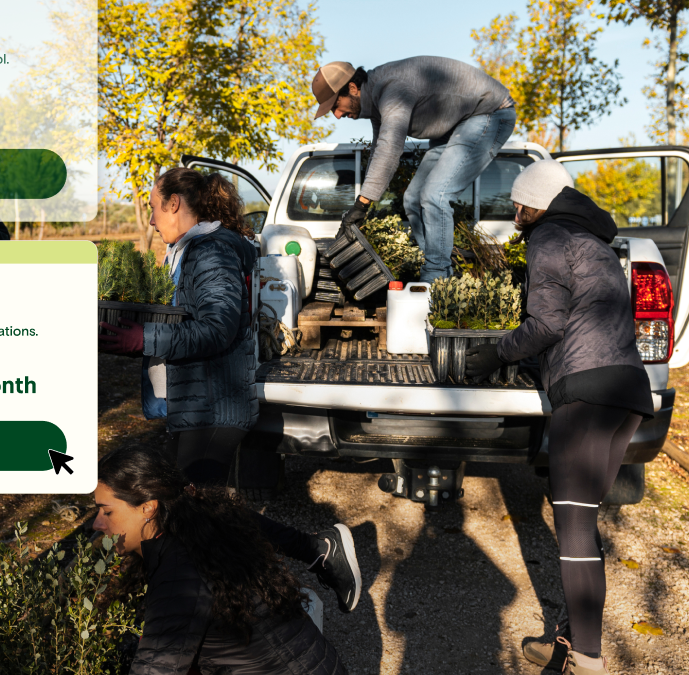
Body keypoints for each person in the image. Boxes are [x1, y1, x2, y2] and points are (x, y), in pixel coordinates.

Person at [99, 168, 363, 614]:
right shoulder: (193, 250)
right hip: (200, 400)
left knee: (192, 511)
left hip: (214, 403)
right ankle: (273, 586)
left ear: (176, 203)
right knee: (199, 514)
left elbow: (217, 328)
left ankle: (308, 562)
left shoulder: (211, 252)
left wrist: (143, 339)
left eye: (153, 207)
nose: (149, 220)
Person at [465, 160, 654, 675]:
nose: (515, 214)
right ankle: (571, 641)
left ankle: (588, 660)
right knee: (583, 522)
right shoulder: (593, 241)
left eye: (518, 205)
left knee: (572, 528)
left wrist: (495, 355)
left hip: (586, 395)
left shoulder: (547, 236)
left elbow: (547, 323)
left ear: (533, 203)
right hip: (627, 393)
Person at [94, 446, 349, 675]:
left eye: (108, 511)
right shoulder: (200, 529)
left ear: (148, 507)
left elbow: (157, 669)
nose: (97, 523)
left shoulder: (178, 574)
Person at [310, 58, 517, 281]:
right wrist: (361, 206)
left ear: (352, 88)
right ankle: (441, 268)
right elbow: (380, 151)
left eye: (335, 106)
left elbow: (390, 148)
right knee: (413, 199)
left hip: (489, 113)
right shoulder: (378, 99)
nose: (337, 115)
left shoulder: (392, 91)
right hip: (457, 125)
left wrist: (362, 204)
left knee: (436, 195)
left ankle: (436, 277)